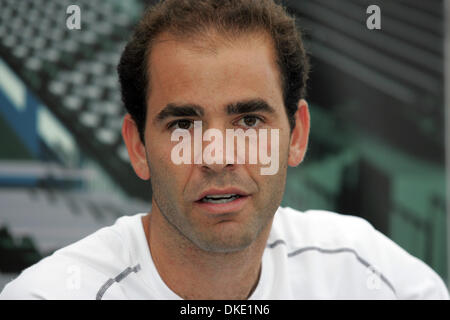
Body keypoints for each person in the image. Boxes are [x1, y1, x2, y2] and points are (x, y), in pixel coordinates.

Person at [1, 0, 448, 300]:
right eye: (183, 125)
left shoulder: (369, 274)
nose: (217, 156)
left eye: (249, 121)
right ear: (138, 147)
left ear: (297, 135)